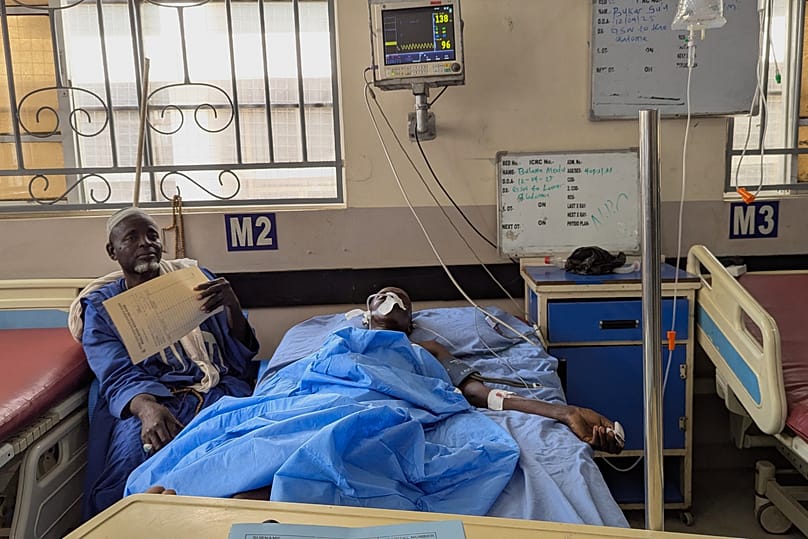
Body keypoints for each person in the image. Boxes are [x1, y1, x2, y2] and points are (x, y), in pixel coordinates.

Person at [69, 207, 259, 518]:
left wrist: (232, 306)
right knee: (130, 467)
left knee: (240, 456)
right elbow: (115, 372)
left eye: (152, 236)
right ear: (112, 251)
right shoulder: (102, 309)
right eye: (132, 238)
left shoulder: (196, 282)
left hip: (216, 391)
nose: (145, 243)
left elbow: (238, 354)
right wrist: (147, 410)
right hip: (150, 401)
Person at [366, 286, 623, 455]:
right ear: (368, 312)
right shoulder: (346, 340)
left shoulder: (428, 348)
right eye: (383, 293)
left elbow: (479, 394)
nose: (391, 296)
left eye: (401, 298)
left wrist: (566, 412)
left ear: (410, 325)